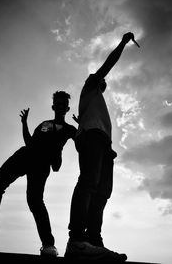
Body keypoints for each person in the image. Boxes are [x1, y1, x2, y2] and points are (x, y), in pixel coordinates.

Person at [64, 32, 137, 261]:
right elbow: (109, 63)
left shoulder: (97, 101)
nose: (103, 80)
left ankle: (93, 240)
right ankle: (76, 239)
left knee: (103, 192)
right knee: (88, 183)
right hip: (92, 138)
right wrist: (123, 43)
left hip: (104, 143)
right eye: (100, 78)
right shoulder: (89, 87)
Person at [0, 91, 77, 257]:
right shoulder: (45, 124)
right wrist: (24, 124)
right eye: (57, 104)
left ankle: (48, 245)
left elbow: (80, 142)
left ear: (67, 108)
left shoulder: (69, 129)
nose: (60, 106)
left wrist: (82, 128)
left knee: (35, 201)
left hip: (42, 165)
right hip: (26, 156)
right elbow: (31, 142)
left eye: (63, 104)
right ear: (53, 106)